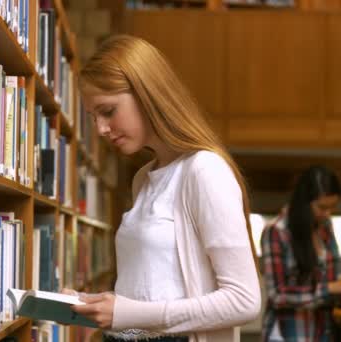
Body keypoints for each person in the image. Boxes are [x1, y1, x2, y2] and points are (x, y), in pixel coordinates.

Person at [61, 35, 261, 341]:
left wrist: (127, 314)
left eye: (108, 111)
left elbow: (245, 300)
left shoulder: (204, 171)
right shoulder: (144, 178)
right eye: (93, 117)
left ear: (146, 94)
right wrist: (99, 305)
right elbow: (151, 285)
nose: (101, 129)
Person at [260, 166, 341, 342]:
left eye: (332, 207)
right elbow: (277, 294)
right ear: (304, 202)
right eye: (322, 207)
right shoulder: (276, 232)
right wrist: (331, 289)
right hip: (288, 334)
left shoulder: (325, 228)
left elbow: (326, 288)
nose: (328, 214)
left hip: (322, 332)